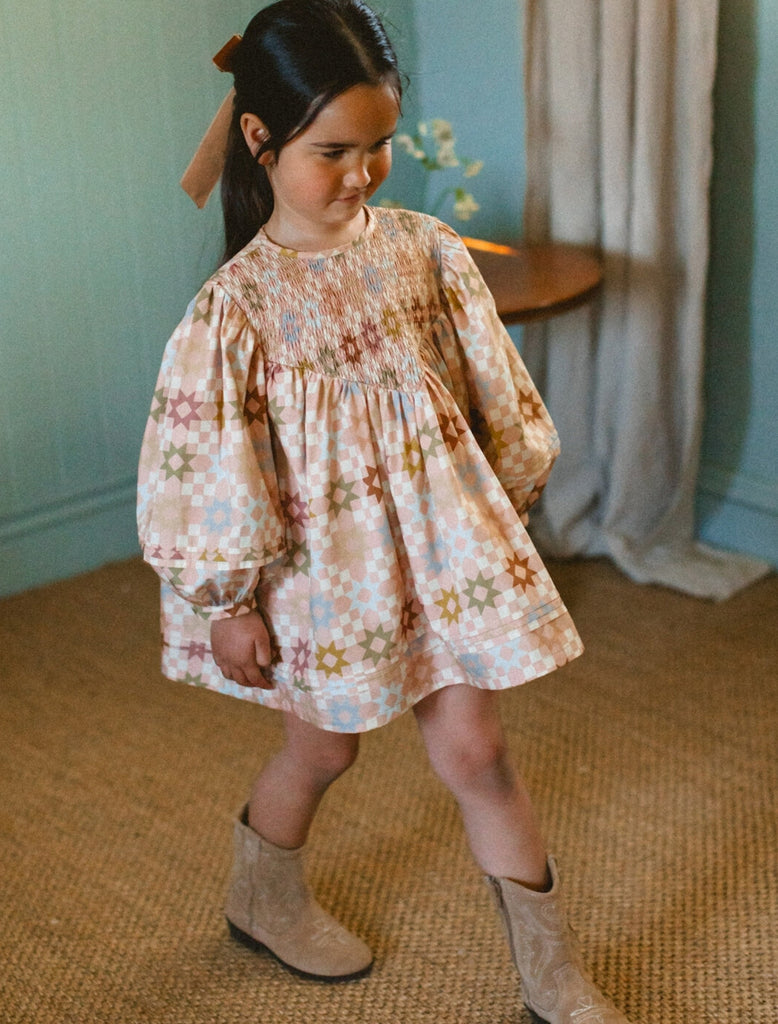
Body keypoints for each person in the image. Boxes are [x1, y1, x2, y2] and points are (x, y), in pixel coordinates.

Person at [137, 3, 635, 1022]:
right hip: (320, 582)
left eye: (378, 146)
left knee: (477, 753)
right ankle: (262, 896)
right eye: (332, 152)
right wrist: (228, 600)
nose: (361, 173)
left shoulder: (428, 251)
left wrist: (503, 506)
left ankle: (551, 975)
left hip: (440, 560)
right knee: (324, 747)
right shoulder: (236, 309)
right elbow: (208, 467)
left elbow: (491, 394)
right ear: (260, 139)